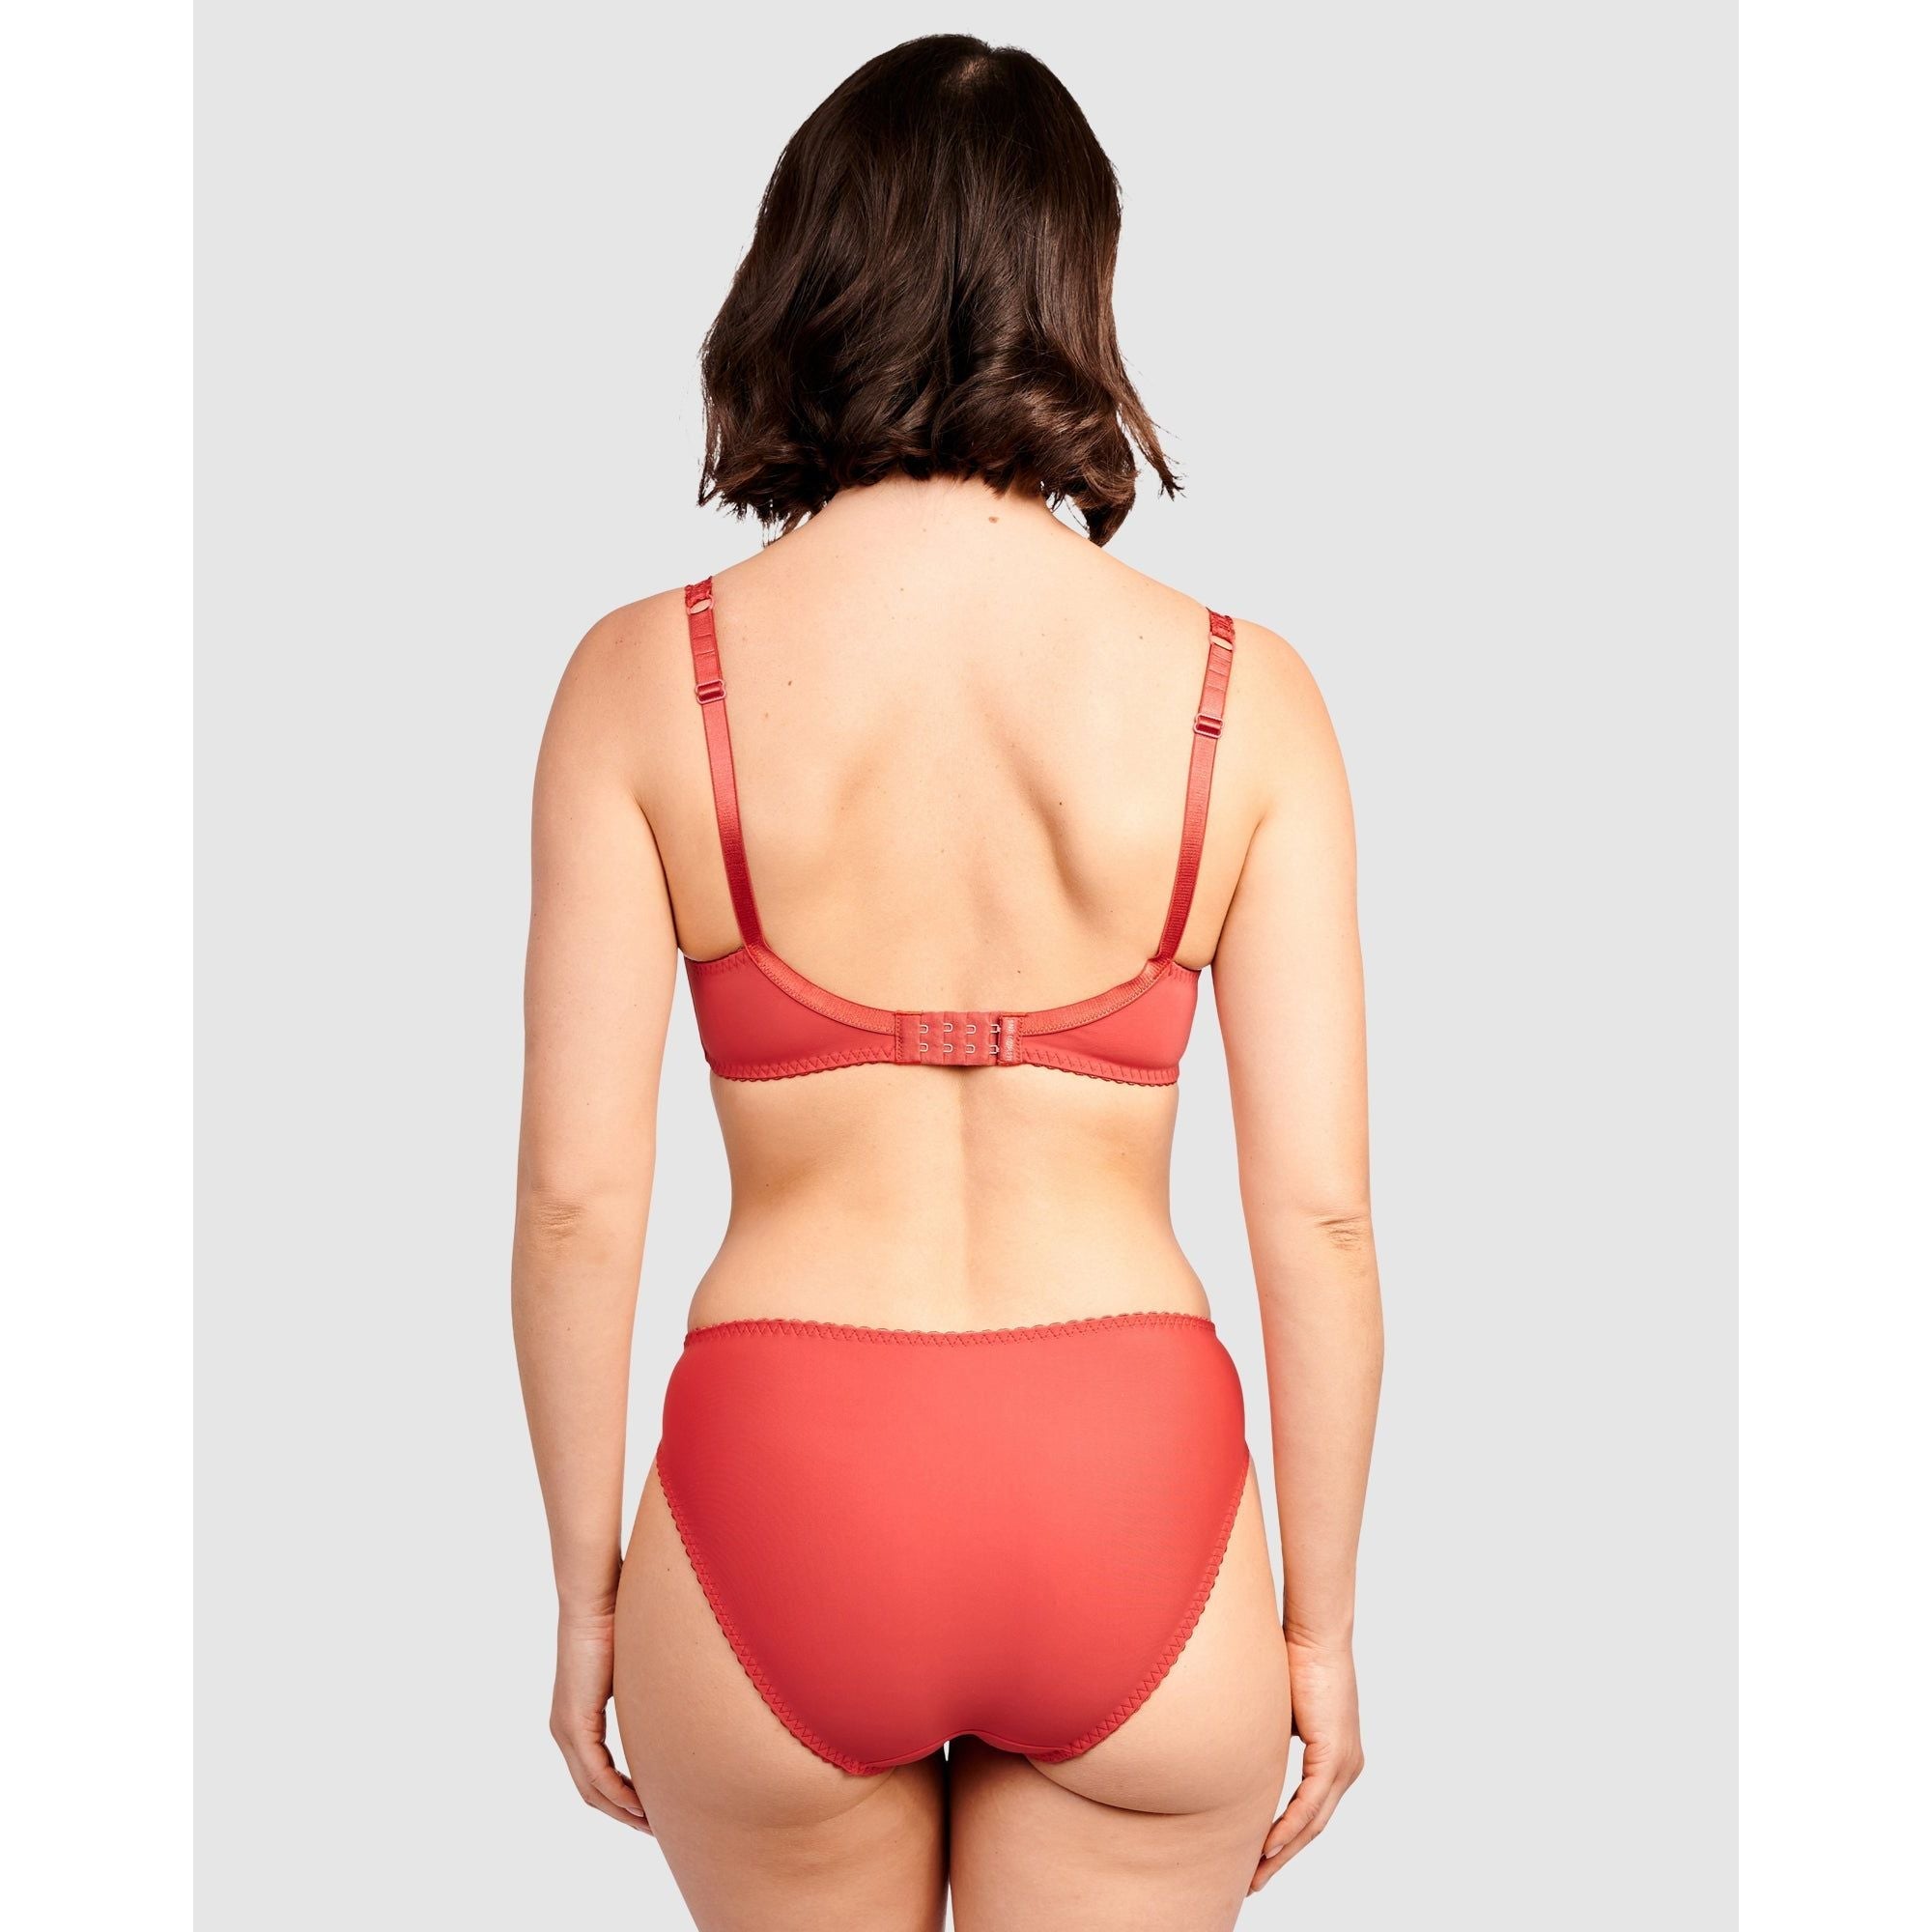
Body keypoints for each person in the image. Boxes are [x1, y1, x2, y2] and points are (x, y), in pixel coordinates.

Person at [513, 34, 1381, 1931]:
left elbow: (579, 1200)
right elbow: (1315, 1216)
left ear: (803, 274)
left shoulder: (643, 679)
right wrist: (1317, 1625)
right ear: (1079, 290)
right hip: (1128, 1497)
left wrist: (587, 1593)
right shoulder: (1246, 696)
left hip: (783, 1494)